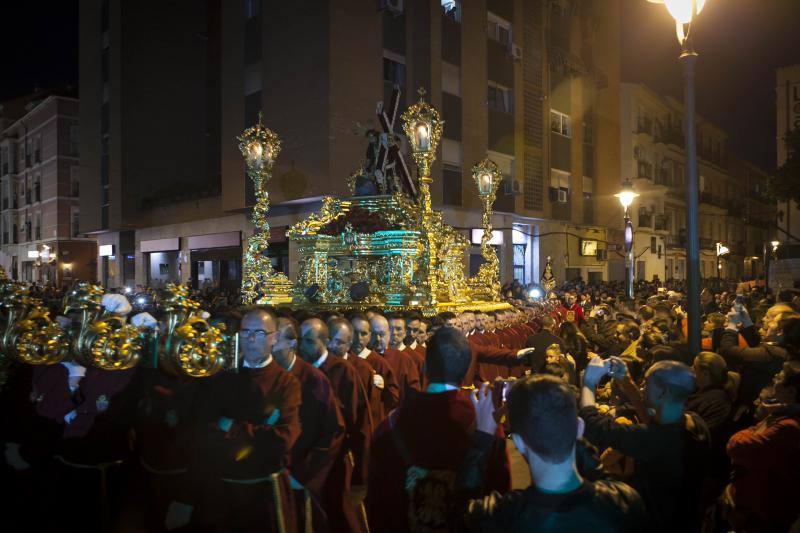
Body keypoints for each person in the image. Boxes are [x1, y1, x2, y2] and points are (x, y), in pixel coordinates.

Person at [366, 327, 511, 532]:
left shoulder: (390, 426)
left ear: (425, 368)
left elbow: (378, 503)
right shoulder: (484, 422)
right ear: (465, 371)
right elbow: (499, 492)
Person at [464, 375, 646, 531]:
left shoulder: (500, 516)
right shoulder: (624, 502)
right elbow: (601, 478)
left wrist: (482, 439)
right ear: (579, 429)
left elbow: (460, 509)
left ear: (518, 443)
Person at [189, 307, 301, 532]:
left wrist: (230, 426)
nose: (250, 339)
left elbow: (282, 440)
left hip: (263, 492)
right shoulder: (221, 379)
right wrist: (256, 431)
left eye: (259, 333)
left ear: (274, 338)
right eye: (245, 332)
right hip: (222, 491)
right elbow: (204, 430)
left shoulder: (286, 383)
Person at [580, 357, 711, 531]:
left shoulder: (655, 441)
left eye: (647, 384)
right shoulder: (695, 423)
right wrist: (627, 383)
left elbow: (594, 425)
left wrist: (588, 382)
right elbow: (654, 423)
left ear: (663, 393)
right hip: (686, 519)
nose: (642, 388)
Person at [299, 318, 372, 533]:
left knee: (336, 510)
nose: (302, 346)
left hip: (334, 454)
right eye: (300, 340)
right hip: (305, 455)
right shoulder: (301, 368)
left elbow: (353, 417)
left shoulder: (343, 370)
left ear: (325, 341)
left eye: (309, 341)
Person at [273, 317, 345, 531]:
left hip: (300, 475)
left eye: (274, 341)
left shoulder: (314, 379)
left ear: (292, 343)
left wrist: (306, 474)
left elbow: (333, 429)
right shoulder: (263, 374)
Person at [723, 361, 800, 531]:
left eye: (779, 377)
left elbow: (736, 446)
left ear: (791, 391)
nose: (774, 378)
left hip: (762, 509)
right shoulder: (782, 414)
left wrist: (762, 423)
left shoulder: (788, 426)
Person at [349, 313, 399, 425]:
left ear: (369, 335)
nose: (359, 338)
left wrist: (383, 388)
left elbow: (394, 397)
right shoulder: (343, 358)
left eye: (364, 334)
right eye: (355, 333)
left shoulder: (378, 362)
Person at [369, 314, 421, 404]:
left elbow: (414, 392)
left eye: (381, 334)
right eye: (374, 334)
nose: (377, 338)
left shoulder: (404, 360)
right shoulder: (361, 358)